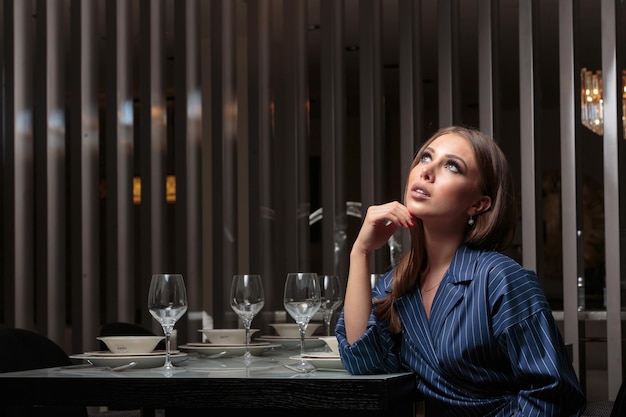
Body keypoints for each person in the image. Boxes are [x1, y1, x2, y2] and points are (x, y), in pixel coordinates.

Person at [336, 126, 586, 416]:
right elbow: (362, 362)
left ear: (478, 204)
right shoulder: (398, 283)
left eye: (452, 166)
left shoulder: (501, 278)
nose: (426, 172)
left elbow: (552, 396)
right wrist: (360, 253)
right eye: (425, 158)